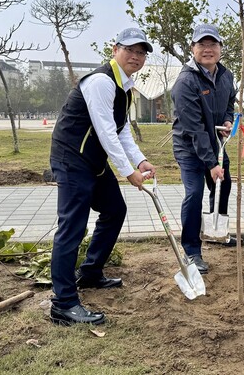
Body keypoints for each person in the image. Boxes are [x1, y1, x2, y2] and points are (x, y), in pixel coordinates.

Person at [49, 27, 156, 325]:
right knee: (72, 225)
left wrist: (141, 160)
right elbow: (105, 130)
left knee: (114, 210)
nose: (135, 56)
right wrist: (128, 173)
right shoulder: (100, 81)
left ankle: (91, 273)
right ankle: (63, 303)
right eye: (130, 50)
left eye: (141, 52)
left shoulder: (125, 86)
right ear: (115, 49)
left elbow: (121, 130)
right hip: (72, 158)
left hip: (92, 160)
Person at [171, 23, 237, 274]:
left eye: (213, 44)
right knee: (194, 193)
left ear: (220, 48)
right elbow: (194, 129)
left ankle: (214, 232)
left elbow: (229, 101)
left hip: (215, 143)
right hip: (189, 147)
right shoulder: (185, 82)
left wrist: (228, 120)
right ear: (192, 48)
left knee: (223, 185)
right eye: (202, 44)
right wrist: (211, 164)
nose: (208, 49)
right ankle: (191, 250)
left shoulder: (226, 75)